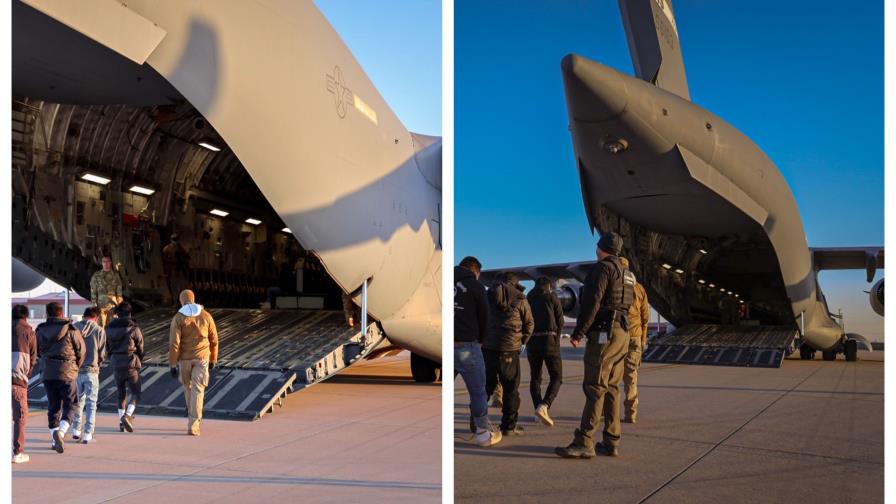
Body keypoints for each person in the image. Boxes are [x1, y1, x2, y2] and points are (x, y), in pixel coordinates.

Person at [556, 232, 635, 458]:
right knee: (611, 387)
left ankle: (584, 440)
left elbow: (592, 302)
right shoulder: (627, 273)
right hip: (622, 333)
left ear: (601, 248)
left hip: (604, 334)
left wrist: (579, 332)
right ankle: (611, 440)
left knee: (594, 386)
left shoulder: (602, 269)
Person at [454, 256, 502, 447]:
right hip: (465, 348)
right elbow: (485, 316)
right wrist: (481, 340)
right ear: (476, 271)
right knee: (477, 391)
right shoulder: (475, 286)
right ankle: (482, 433)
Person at [483, 271, 534, 436]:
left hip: (488, 348)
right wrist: (522, 342)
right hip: (510, 350)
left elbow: (479, 319)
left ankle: (478, 423)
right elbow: (529, 324)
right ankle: (508, 427)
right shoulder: (521, 299)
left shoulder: (487, 296)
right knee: (511, 389)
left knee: (485, 388)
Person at [36, 302, 85, 454]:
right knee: (71, 404)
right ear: (62, 313)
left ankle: (54, 438)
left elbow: (37, 351)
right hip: (67, 372)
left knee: (53, 406)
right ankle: (61, 433)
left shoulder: (40, 330)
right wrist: (75, 367)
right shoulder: (72, 330)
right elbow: (81, 352)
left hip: (48, 373)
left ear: (47, 314)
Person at [169, 289, 219, 436]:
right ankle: (194, 424)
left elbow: (174, 344)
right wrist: (213, 358)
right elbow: (214, 339)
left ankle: (192, 418)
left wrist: (172, 364)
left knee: (188, 387)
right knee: (198, 390)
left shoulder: (178, 318)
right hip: (202, 358)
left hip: (184, 360)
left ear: (181, 301)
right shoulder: (206, 316)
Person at [526, 277, 565, 427]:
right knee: (556, 376)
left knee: (535, 378)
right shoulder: (552, 297)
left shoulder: (528, 298)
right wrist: (556, 338)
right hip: (549, 340)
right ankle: (544, 405)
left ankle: (537, 408)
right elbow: (560, 321)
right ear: (548, 286)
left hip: (532, 342)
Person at [617, 257, 649, 424]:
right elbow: (645, 317)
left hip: (617, 336)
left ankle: (606, 411)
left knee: (610, 376)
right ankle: (631, 414)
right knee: (631, 377)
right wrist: (643, 339)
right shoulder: (639, 288)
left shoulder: (615, 285)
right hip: (635, 337)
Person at [106, 302, 144, 433]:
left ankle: (121, 423)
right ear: (130, 313)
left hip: (116, 363)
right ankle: (128, 415)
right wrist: (139, 360)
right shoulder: (134, 328)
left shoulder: (108, 328)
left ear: (117, 313)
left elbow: (107, 348)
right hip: (130, 363)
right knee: (136, 393)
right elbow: (140, 348)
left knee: (121, 394)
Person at [71, 307, 106, 443]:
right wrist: (97, 364)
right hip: (92, 371)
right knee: (91, 403)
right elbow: (102, 353)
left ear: (84, 316)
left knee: (78, 401)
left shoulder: (74, 328)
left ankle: (75, 430)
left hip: (76, 371)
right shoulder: (99, 330)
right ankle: (88, 434)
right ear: (96, 317)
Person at [12, 305, 37, 463]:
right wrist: (26, 375)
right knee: (20, 417)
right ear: (26, 317)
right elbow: (33, 358)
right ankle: (17, 452)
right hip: (17, 380)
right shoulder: (28, 331)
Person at [89, 254, 123, 327]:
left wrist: (119, 301)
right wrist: (94, 303)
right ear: (102, 263)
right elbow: (93, 290)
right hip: (100, 306)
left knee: (112, 326)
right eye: (104, 262)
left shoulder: (115, 275)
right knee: (100, 327)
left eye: (107, 261)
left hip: (112, 305)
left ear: (111, 262)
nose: (106, 263)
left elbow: (119, 289)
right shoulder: (96, 276)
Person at [162, 234, 190, 305]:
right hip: (171, 269)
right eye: (174, 239)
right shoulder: (167, 248)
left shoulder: (180, 248)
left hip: (179, 269)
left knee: (181, 286)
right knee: (173, 286)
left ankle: (178, 300)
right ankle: (174, 301)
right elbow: (164, 259)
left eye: (176, 239)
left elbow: (186, 257)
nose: (175, 241)